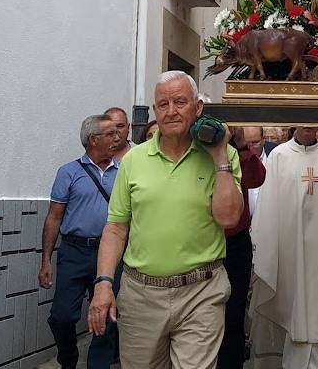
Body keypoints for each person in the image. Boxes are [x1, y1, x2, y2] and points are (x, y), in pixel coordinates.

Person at [87, 71, 244, 367]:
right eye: (163, 104)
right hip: (141, 295)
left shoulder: (224, 156)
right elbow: (116, 228)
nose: (171, 111)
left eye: (180, 102)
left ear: (197, 108)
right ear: (155, 112)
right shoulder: (133, 160)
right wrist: (104, 283)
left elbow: (229, 218)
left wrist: (220, 154)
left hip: (202, 292)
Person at [249, 126, 318, 369]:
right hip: (287, 252)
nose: (307, 126)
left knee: (317, 318)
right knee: (289, 311)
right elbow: (268, 208)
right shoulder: (280, 156)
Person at [39, 114, 123, 369]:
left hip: (110, 254)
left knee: (107, 317)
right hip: (74, 251)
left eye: (118, 132)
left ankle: (99, 365)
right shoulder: (69, 172)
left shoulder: (124, 171)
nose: (117, 137)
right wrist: (46, 261)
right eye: (110, 133)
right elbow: (54, 218)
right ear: (93, 139)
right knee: (62, 316)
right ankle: (68, 357)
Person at [219, 127, 269, 369]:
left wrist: (239, 146)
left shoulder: (235, 151)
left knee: (234, 315)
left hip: (236, 241)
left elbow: (256, 178)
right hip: (203, 239)